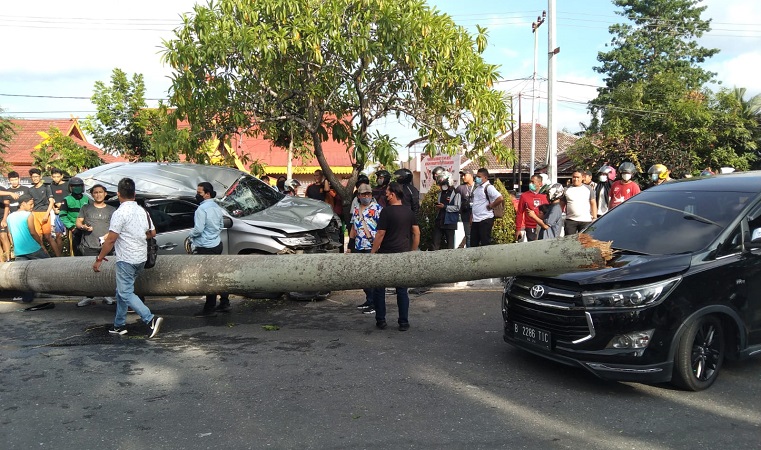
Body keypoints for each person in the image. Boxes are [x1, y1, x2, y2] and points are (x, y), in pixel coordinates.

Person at [92, 178, 163, 338]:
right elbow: (152, 233)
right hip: (141, 257)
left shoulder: (119, 213)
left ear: (118, 194)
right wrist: (136, 235)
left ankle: (150, 319)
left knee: (125, 292)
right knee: (122, 292)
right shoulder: (142, 211)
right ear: (134, 194)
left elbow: (111, 239)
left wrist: (99, 259)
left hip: (126, 258)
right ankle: (119, 325)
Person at [370, 182, 419, 331]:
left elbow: (380, 233)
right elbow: (416, 233)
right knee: (402, 290)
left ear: (392, 194)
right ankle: (403, 322)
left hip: (385, 255)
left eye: (387, 192)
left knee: (379, 289)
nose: (385, 195)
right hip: (403, 255)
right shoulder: (409, 212)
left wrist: (372, 253)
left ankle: (381, 320)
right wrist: (412, 251)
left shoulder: (386, 212)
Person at [189, 182, 231, 317]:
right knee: (216, 275)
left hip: (205, 247)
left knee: (209, 279)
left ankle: (209, 309)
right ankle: (224, 302)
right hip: (216, 244)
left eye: (199, 193)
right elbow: (220, 225)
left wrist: (190, 236)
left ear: (207, 194)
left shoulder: (201, 210)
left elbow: (198, 229)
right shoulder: (216, 207)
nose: (197, 195)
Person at [75, 183, 116, 307]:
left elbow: (116, 227)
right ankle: (88, 296)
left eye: (100, 192)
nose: (98, 194)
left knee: (106, 271)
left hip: (106, 246)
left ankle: (106, 294)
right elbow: (78, 222)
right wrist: (83, 227)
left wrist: (108, 235)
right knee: (88, 272)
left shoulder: (111, 210)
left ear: (105, 194)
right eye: (95, 192)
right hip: (89, 245)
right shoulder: (86, 208)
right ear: (92, 195)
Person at [348, 183, 383, 314]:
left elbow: (382, 229)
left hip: (371, 246)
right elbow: (353, 228)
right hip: (358, 245)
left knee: (371, 276)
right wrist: (350, 246)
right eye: (363, 194)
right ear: (359, 196)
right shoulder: (356, 209)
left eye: (368, 194)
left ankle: (374, 303)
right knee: (361, 276)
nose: (366, 196)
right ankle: (369, 299)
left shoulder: (378, 209)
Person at [7, 194, 48, 302]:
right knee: (49, 266)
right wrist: (41, 244)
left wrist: (13, 248)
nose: (32, 206)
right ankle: (49, 290)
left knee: (23, 276)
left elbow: (10, 235)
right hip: (33, 248)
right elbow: (33, 232)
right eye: (30, 204)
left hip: (19, 251)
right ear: (23, 204)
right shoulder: (28, 215)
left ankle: (27, 297)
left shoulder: (9, 217)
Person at [28, 168, 61, 256]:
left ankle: (59, 256)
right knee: (38, 237)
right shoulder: (30, 190)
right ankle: (43, 256)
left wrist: (47, 214)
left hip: (44, 212)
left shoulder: (46, 187)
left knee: (48, 236)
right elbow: (30, 203)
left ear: (40, 177)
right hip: (35, 214)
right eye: (33, 177)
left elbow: (51, 201)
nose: (35, 178)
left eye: (36, 176)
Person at [470, 168, 504, 247]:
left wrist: (492, 205)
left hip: (485, 219)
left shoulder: (489, 187)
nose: (477, 178)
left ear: (485, 177)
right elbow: (475, 203)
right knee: (473, 243)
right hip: (476, 219)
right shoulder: (477, 188)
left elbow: (500, 198)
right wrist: (472, 216)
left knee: (485, 243)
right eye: (476, 176)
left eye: (479, 177)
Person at [59, 177, 89, 256]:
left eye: (79, 186)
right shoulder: (66, 200)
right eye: (74, 186)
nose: (77, 188)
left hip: (85, 228)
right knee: (75, 251)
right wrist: (71, 227)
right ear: (70, 187)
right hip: (73, 230)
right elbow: (62, 215)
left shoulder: (87, 199)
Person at [515, 173, 548, 242]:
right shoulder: (524, 196)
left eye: (533, 182)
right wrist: (518, 229)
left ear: (540, 184)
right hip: (530, 227)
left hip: (543, 226)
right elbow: (519, 213)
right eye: (530, 181)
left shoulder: (546, 196)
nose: (530, 184)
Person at [432, 170, 460, 250]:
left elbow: (457, 207)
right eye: (440, 184)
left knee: (450, 246)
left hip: (450, 222)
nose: (441, 186)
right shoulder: (440, 193)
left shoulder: (456, 192)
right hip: (440, 221)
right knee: (435, 244)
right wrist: (438, 207)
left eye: (442, 184)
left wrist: (445, 207)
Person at [563, 171, 597, 235]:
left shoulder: (588, 189)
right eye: (574, 177)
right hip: (570, 220)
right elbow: (562, 204)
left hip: (585, 221)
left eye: (578, 177)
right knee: (569, 242)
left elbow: (593, 203)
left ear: (582, 178)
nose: (576, 179)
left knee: (585, 242)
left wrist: (594, 217)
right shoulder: (566, 189)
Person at [456, 169, 476, 248]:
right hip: (466, 215)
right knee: (468, 235)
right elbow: (454, 200)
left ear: (471, 175)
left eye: (465, 175)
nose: (463, 177)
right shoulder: (460, 188)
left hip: (477, 215)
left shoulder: (478, 186)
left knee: (477, 234)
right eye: (462, 175)